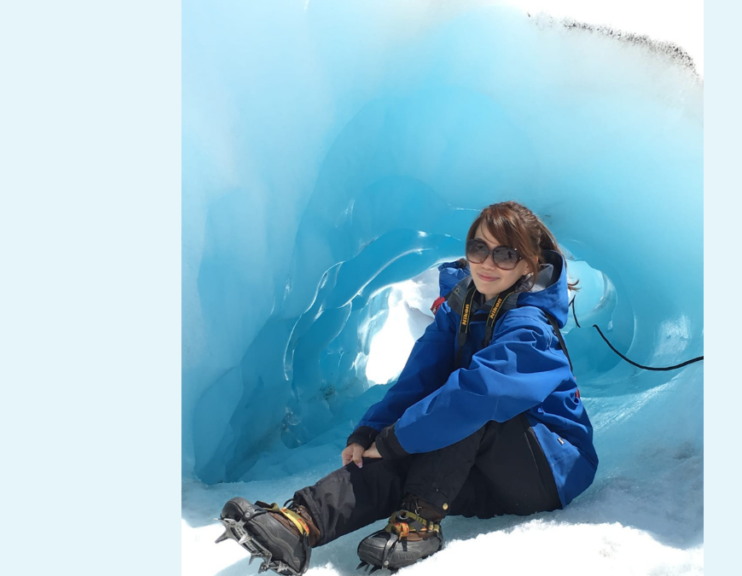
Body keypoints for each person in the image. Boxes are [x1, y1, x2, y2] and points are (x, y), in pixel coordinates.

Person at [217, 201, 598, 575]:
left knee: (457, 410)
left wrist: (396, 438)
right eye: (478, 248)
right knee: (408, 452)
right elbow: (419, 378)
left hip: (549, 471)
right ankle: (302, 523)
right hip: (487, 468)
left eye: (505, 254)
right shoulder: (460, 307)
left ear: (529, 264)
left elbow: (476, 395)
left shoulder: (530, 329)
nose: (487, 262)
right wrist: (371, 431)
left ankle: (418, 523)